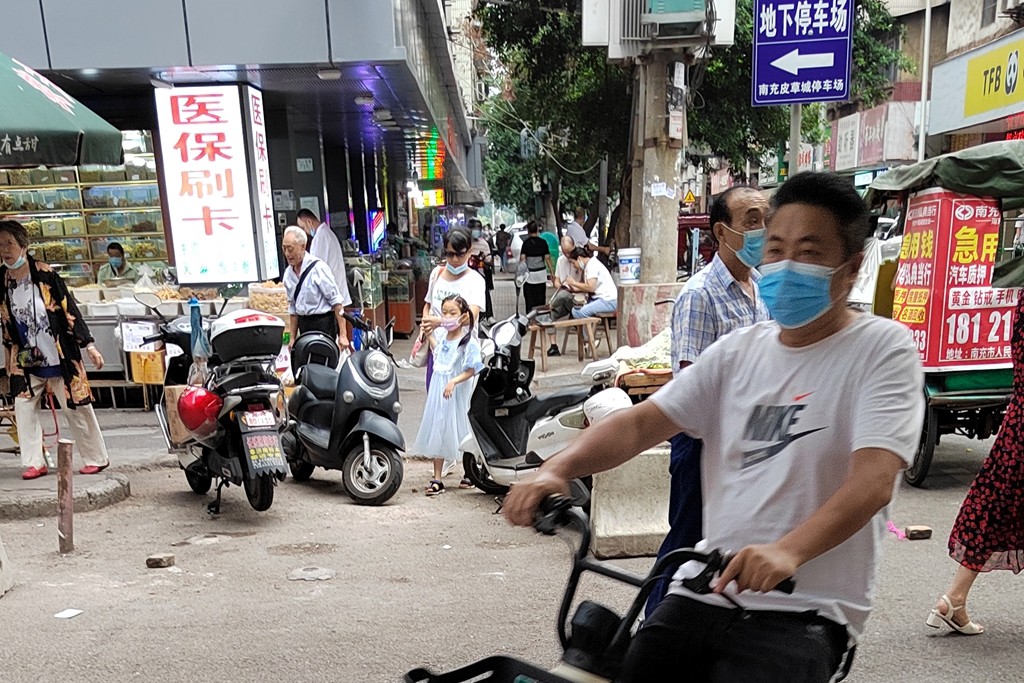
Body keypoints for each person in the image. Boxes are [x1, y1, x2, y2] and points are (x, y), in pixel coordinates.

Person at [503, 172, 925, 682]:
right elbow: (640, 424)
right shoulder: (738, 352)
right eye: (775, 249)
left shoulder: (883, 351)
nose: (786, 264)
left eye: (809, 252)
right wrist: (557, 469)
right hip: (703, 590)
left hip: (805, 611)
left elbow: (873, 482)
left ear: (851, 268)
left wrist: (788, 551)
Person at [647, 185, 771, 616]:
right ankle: (651, 627)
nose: (762, 229)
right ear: (721, 232)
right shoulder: (700, 295)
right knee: (685, 541)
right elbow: (689, 384)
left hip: (745, 441)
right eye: (751, 220)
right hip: (700, 441)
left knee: (727, 541)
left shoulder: (761, 287)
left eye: (766, 219)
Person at [926, 286, 1024, 636]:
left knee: (995, 506)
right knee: (999, 507)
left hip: (1018, 425)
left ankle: (954, 598)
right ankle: (953, 599)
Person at [0, 220, 111, 480]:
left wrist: (89, 345)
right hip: (26, 357)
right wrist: (8, 359)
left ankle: (96, 458)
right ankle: (34, 462)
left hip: (59, 353)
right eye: (0, 245)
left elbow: (70, 309)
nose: (4, 250)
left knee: (76, 407)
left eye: (9, 244)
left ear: (24, 246)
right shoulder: (1, 280)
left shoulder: (45, 274)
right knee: (23, 407)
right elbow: (5, 323)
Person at [420, 228, 486, 488]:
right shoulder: (437, 274)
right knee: (439, 409)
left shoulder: (475, 281)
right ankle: (444, 460)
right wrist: (427, 325)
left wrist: (441, 321)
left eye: (459, 254)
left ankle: (469, 466)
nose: (455, 260)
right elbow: (428, 304)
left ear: (469, 252)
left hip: (461, 350)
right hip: (438, 350)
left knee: (464, 410)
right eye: (449, 254)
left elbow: (472, 315)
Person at [414, 295, 484, 496]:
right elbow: (439, 353)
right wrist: (429, 336)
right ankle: (437, 478)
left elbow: (472, 369)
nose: (447, 317)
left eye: (453, 313)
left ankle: (469, 472)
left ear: (463, 316)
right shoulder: (444, 337)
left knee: (461, 429)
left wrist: (454, 381)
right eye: (444, 312)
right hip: (440, 391)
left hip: (457, 393)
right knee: (439, 428)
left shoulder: (468, 342)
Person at [281, 226, 350, 352]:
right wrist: (292, 338)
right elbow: (293, 309)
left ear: (302, 247)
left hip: (323, 324)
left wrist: (343, 335)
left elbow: (337, 302)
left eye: (290, 249)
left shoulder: (319, 269)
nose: (287, 254)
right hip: (304, 326)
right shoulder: (288, 275)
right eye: (284, 249)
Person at [296, 208, 353, 308]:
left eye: (303, 227)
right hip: (336, 296)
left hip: (333, 299)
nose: (305, 232)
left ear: (309, 222)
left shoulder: (320, 237)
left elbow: (315, 270)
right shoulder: (326, 233)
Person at [543, 236, 582, 357]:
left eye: (569, 252)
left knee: (564, 295)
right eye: (565, 252)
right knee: (549, 315)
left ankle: (550, 305)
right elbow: (556, 281)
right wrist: (559, 285)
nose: (567, 255)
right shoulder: (561, 260)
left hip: (578, 298)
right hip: (564, 295)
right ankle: (553, 346)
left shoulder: (580, 259)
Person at [567, 247, 617, 320]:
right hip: (602, 300)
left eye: (573, 263)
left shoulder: (592, 266)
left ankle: (589, 326)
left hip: (607, 301)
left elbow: (591, 287)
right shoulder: (590, 264)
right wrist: (573, 288)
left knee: (577, 312)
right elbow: (589, 287)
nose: (573, 265)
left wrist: (574, 283)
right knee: (576, 308)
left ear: (579, 258)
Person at [519, 221, 553, 312]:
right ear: (537, 230)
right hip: (541, 275)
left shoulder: (526, 243)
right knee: (540, 299)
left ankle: (530, 317)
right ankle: (540, 316)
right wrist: (552, 273)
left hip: (529, 276)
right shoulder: (543, 242)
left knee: (529, 299)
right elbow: (547, 258)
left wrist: (520, 275)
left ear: (528, 231)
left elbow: (522, 259)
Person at [468, 219, 494, 321]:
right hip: (466, 274)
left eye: (478, 229)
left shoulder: (484, 244)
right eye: (474, 229)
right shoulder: (465, 242)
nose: (476, 231)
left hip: (480, 273)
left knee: (485, 293)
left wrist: (483, 258)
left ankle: (489, 315)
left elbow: (490, 260)